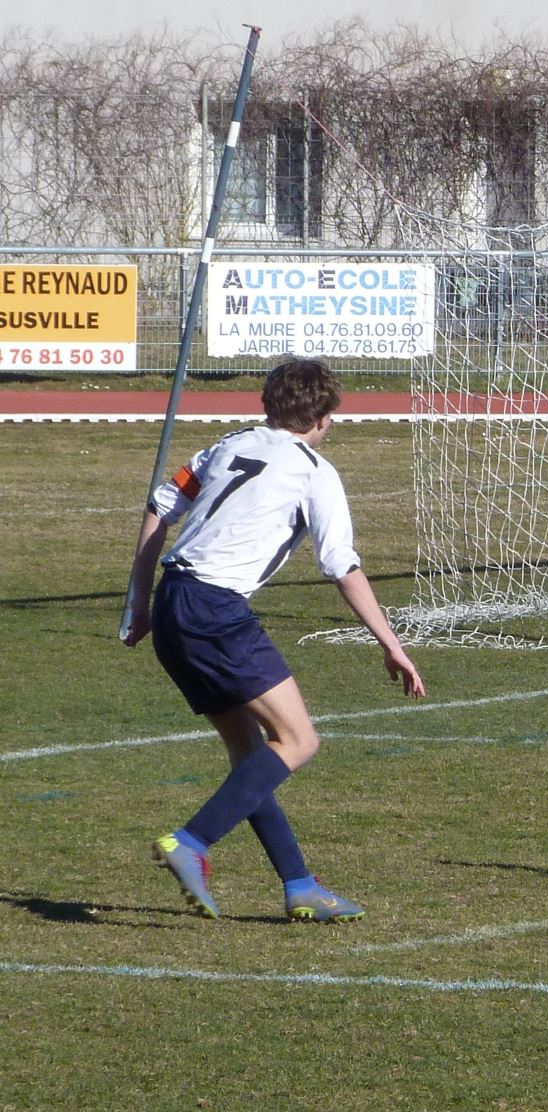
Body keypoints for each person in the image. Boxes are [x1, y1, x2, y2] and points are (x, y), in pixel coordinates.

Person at [123, 356, 426, 922]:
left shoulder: (226, 445)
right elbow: (341, 565)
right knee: (299, 741)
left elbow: (159, 508)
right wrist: (392, 644)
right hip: (215, 610)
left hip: (173, 601)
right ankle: (191, 840)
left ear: (268, 405)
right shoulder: (315, 471)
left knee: (251, 757)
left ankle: (300, 884)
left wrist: (139, 603)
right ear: (325, 416)